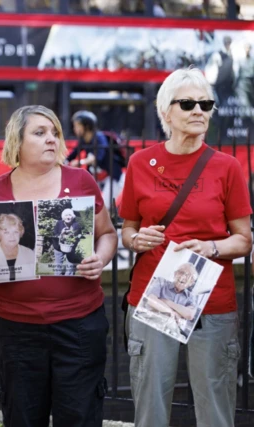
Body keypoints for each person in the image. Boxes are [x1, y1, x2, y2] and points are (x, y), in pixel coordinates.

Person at [0, 105, 117, 427]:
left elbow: (107, 234)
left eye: (55, 133)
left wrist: (100, 259)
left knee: (79, 416)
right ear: (17, 142)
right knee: (22, 416)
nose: (51, 139)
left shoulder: (82, 181)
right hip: (16, 330)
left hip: (78, 325)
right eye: (39, 133)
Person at [119, 68, 252, 427]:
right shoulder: (139, 164)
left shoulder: (227, 167)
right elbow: (127, 230)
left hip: (211, 298)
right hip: (155, 297)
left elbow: (244, 238)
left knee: (215, 412)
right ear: (166, 113)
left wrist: (211, 247)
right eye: (188, 103)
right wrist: (135, 239)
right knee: (151, 409)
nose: (199, 110)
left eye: (205, 103)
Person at [68, 110, 124, 208]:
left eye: (77, 125)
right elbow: (71, 155)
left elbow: (98, 156)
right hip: (97, 178)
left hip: (113, 178)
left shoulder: (99, 137)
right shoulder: (83, 140)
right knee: (89, 205)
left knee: (105, 207)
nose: (75, 129)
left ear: (86, 126)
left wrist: (80, 162)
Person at [0, 213, 35, 282]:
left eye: (15, 232)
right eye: (6, 232)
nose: (12, 236)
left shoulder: (30, 253)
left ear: (21, 233)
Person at [52, 208, 84, 276]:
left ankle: (69, 277)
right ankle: (57, 277)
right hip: (58, 246)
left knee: (70, 263)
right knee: (58, 264)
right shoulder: (59, 223)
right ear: (63, 217)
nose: (68, 217)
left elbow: (78, 237)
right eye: (66, 215)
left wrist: (72, 237)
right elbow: (54, 234)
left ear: (72, 217)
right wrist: (61, 234)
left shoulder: (76, 225)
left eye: (69, 215)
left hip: (70, 247)